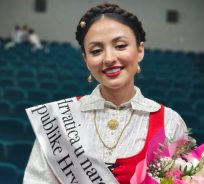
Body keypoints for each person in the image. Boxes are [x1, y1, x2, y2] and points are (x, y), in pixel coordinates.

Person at [23, 3, 187, 184]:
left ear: (140, 50)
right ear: (86, 59)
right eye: (96, 51)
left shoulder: (170, 122)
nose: (109, 58)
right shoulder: (58, 121)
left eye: (120, 45)